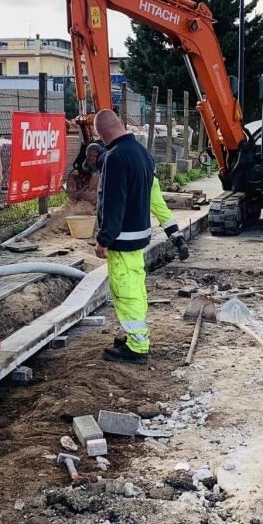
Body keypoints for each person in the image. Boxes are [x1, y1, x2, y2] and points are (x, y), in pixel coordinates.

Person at [91, 109, 163, 364]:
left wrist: (104, 238)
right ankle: (136, 335)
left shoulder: (116, 157)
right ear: (121, 124)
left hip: (122, 239)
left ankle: (137, 347)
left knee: (125, 291)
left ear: (101, 134)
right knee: (136, 287)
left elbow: (113, 202)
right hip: (139, 235)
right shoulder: (142, 152)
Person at [82, 140, 190, 262]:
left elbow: (111, 195)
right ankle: (178, 239)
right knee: (161, 210)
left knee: (130, 208)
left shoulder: (106, 159)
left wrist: (105, 234)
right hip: (150, 178)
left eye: (90, 160)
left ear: (92, 155)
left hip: (136, 182)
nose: (91, 164)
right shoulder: (123, 150)